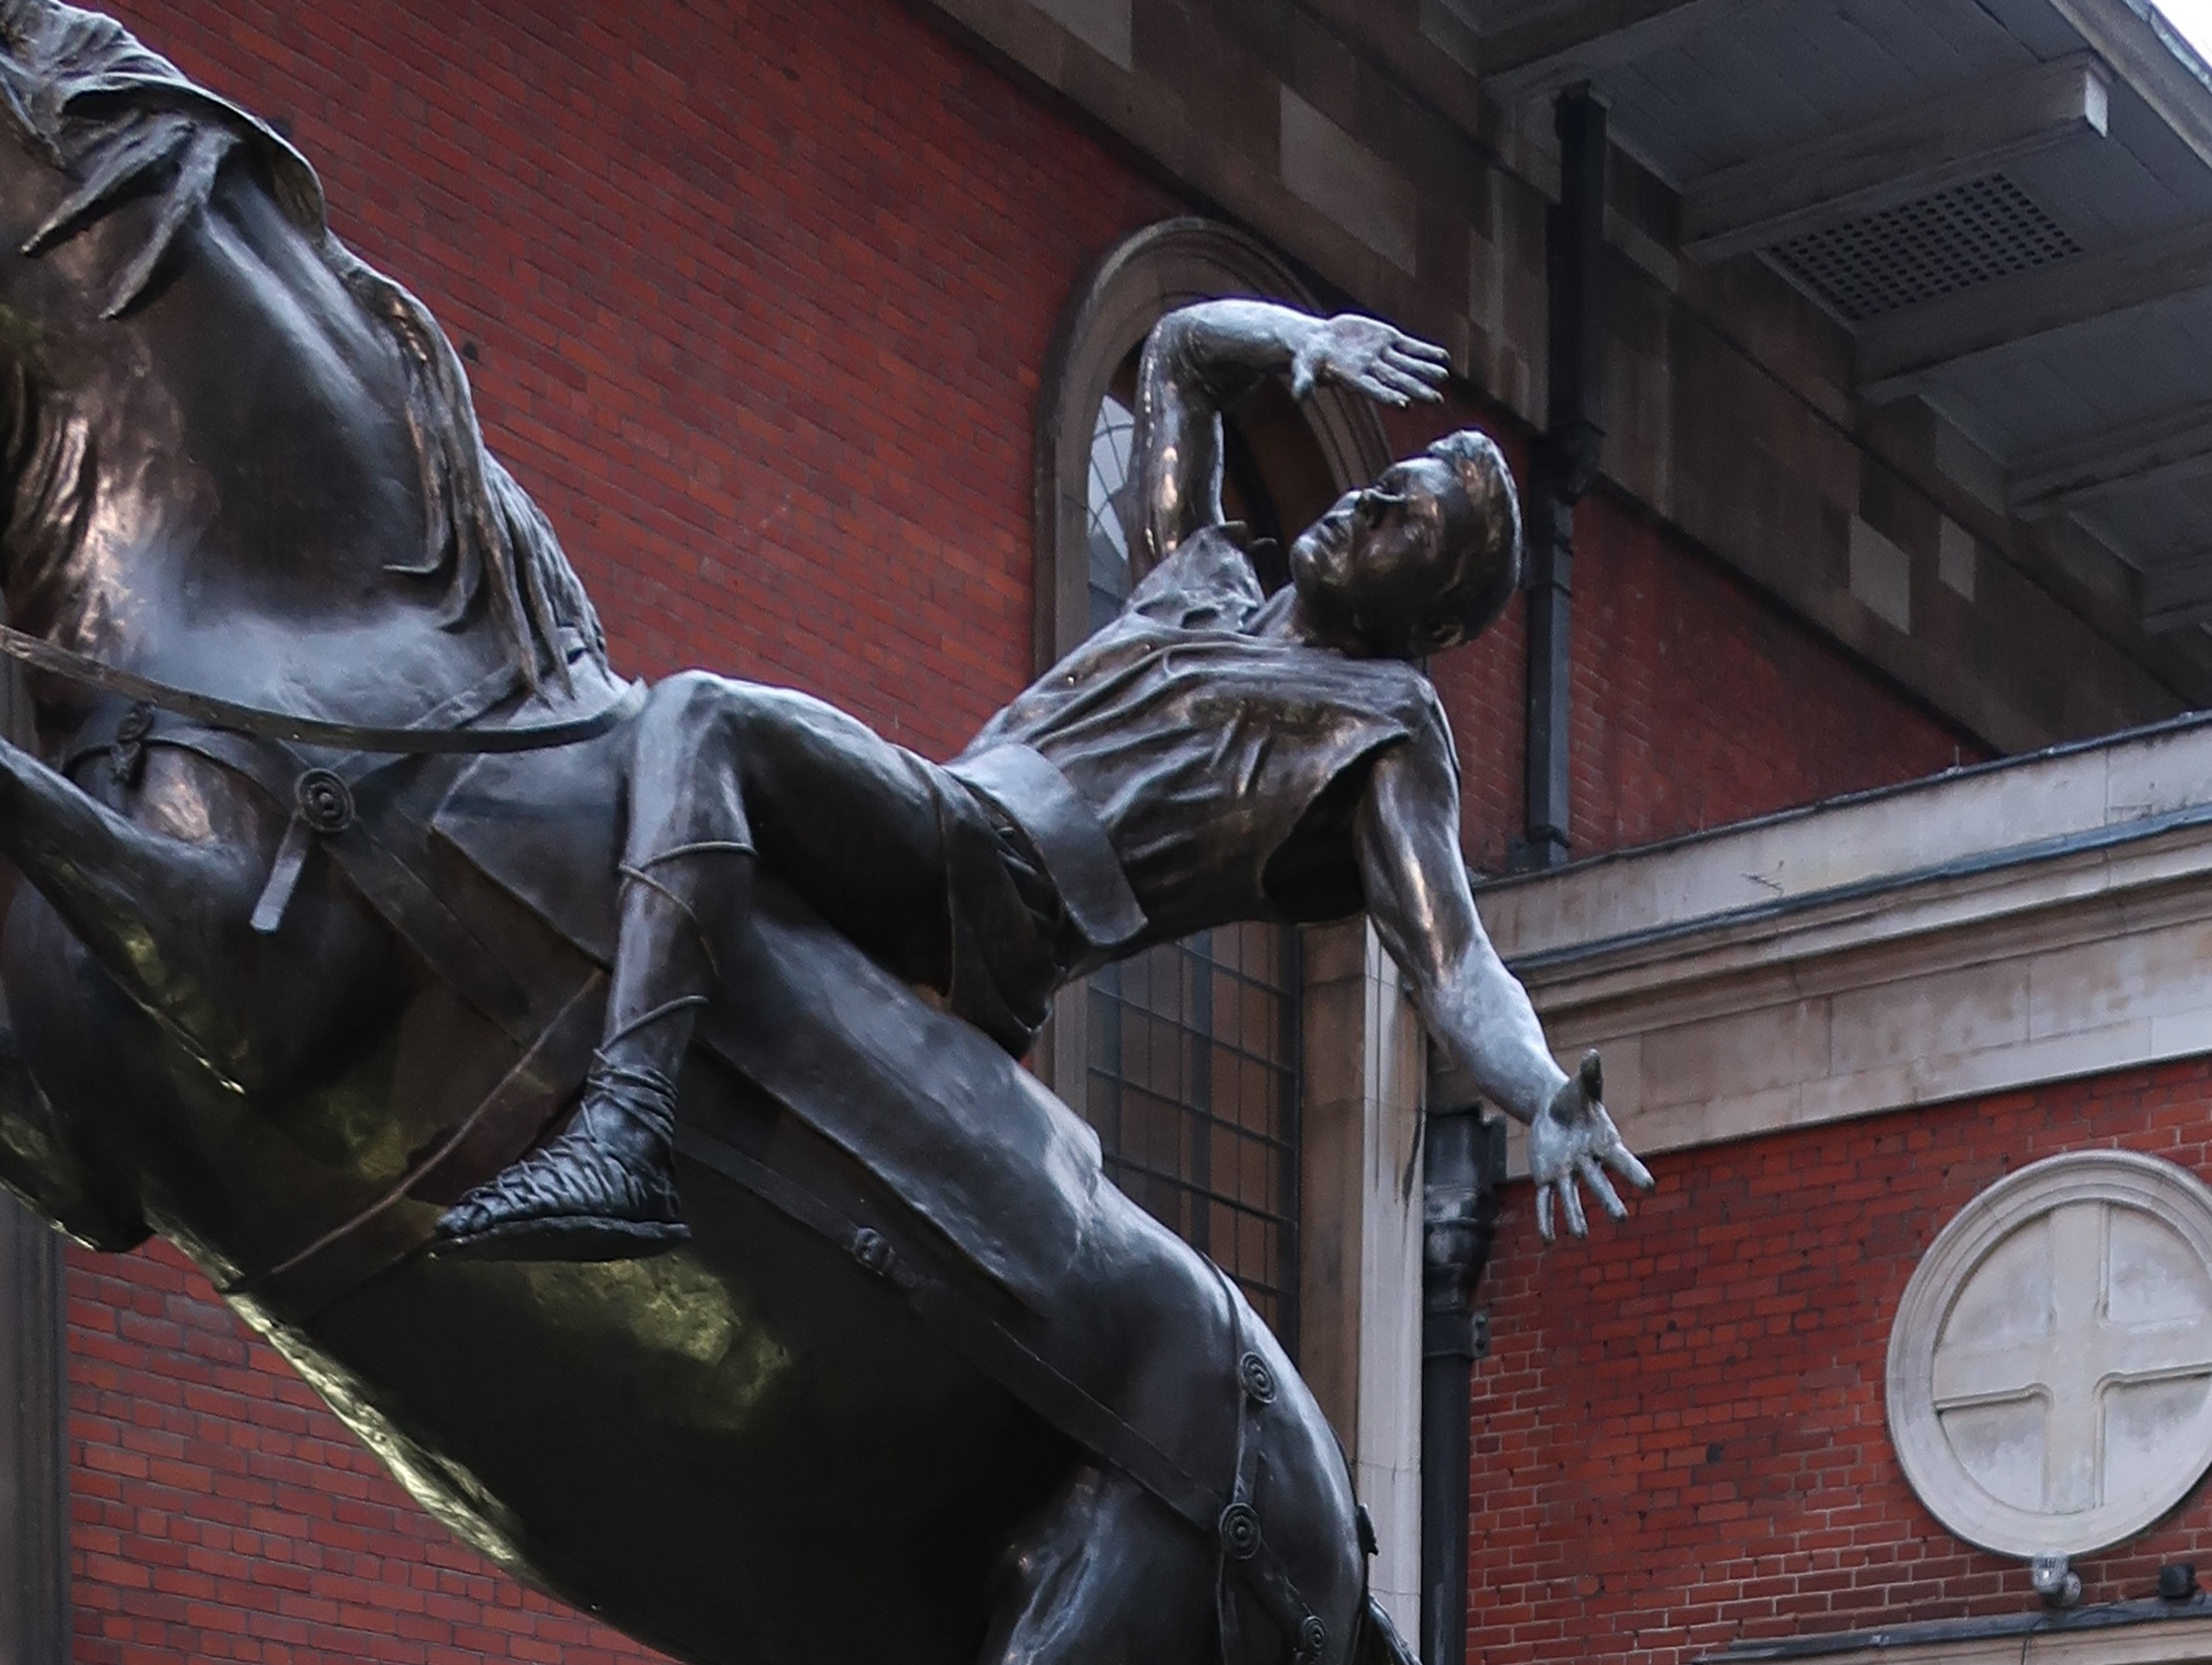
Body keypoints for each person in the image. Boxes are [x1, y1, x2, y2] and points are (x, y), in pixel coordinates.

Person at [439, 300, 1648, 1264]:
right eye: (1388, 486)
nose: (1371, 503)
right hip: (950, 819)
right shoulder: (1201, 584)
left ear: (1426, 613)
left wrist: (1539, 1093)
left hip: (1000, 890)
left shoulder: (1382, 731)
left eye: (1408, 526)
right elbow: (1177, 354)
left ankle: (620, 1135)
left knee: (700, 714)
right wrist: (1303, 341)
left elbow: (1457, 963)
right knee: (636, 772)